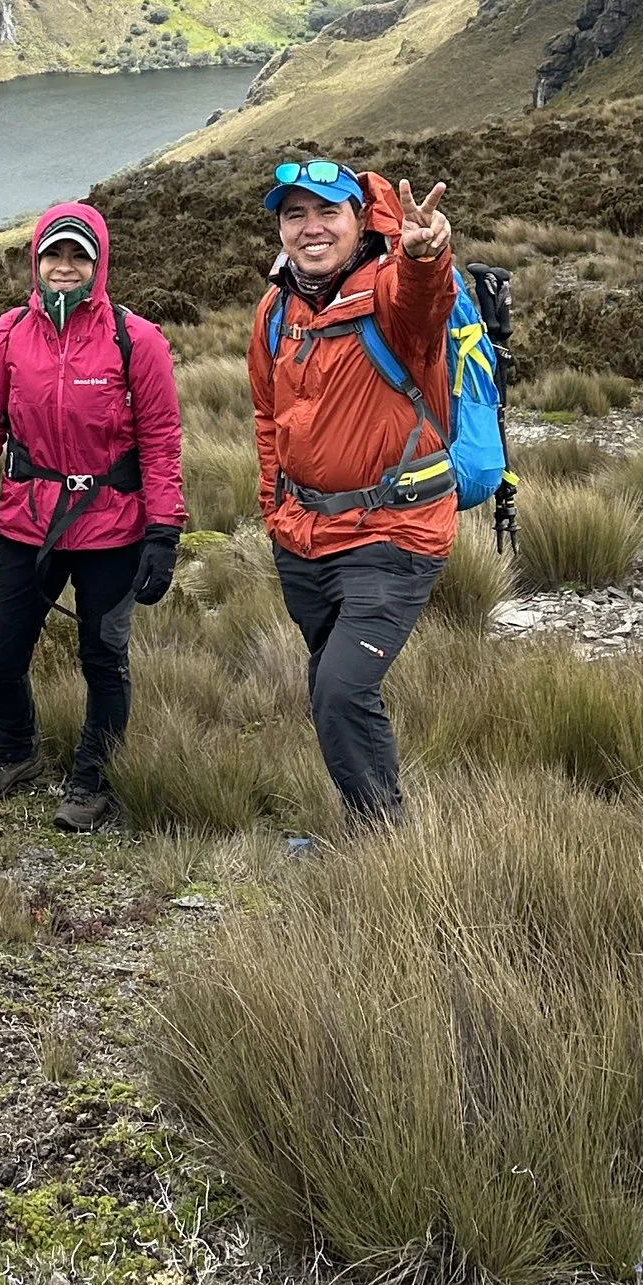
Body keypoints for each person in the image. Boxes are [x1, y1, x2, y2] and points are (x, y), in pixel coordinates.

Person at [0, 201, 185, 830]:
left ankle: (94, 776)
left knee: (103, 659)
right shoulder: (9, 335)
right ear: (37, 259)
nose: (66, 267)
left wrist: (164, 531)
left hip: (113, 527)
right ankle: (14, 750)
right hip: (29, 523)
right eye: (55, 253)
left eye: (80, 255)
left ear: (99, 263)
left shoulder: (138, 340)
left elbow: (161, 442)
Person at [249, 156, 456, 828]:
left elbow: (424, 304)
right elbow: (265, 414)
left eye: (326, 211)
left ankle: (383, 841)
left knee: (340, 688)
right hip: (304, 539)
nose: (310, 228)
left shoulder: (390, 292)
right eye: (294, 213)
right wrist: (275, 511)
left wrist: (427, 258)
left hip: (394, 534)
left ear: (360, 219)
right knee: (329, 685)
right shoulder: (275, 310)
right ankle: (370, 814)